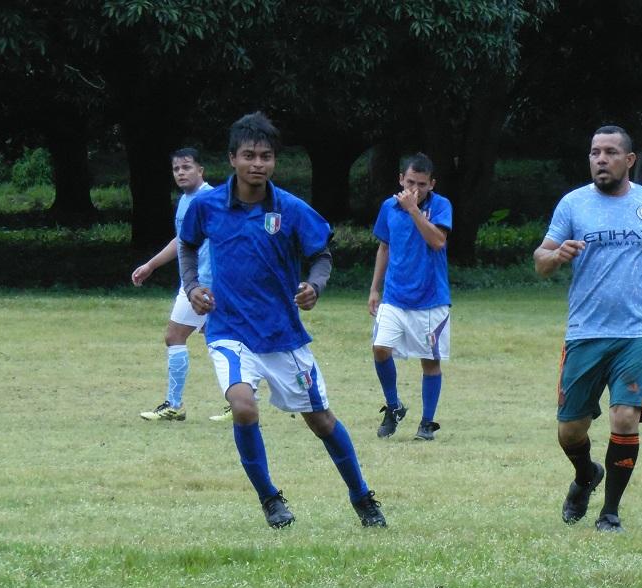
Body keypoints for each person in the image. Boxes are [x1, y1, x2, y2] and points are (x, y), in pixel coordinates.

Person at [178, 111, 386, 529]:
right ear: (232, 159)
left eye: (266, 156)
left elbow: (322, 254)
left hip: (283, 335)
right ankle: (271, 499)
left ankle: (362, 497)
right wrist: (191, 286)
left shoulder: (290, 208)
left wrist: (315, 285)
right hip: (229, 330)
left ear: (275, 160)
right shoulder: (207, 206)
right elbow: (187, 245)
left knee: (321, 419)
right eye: (249, 155)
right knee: (242, 406)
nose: (258, 164)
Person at [533, 125, 642, 533]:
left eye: (610, 152)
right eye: (594, 152)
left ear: (629, 161)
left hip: (638, 331)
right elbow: (540, 260)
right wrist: (557, 255)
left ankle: (610, 513)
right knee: (570, 430)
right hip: (585, 332)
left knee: (624, 417)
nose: (600, 159)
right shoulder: (573, 205)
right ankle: (585, 475)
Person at [132, 148, 230, 422]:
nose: (181, 173)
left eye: (187, 167)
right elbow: (182, 241)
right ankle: (240, 401)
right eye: (176, 169)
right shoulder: (187, 201)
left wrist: (212, 280)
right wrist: (151, 265)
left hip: (202, 284)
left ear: (201, 170)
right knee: (222, 340)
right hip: (195, 281)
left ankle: (175, 404)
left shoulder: (210, 199)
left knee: (175, 336)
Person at [368, 153, 453, 441]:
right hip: (394, 296)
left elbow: (438, 241)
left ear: (432, 184)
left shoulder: (441, 206)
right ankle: (394, 407)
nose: (415, 189)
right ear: (400, 180)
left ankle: (427, 423)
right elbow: (384, 247)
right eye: (410, 182)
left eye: (422, 184)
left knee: (430, 361)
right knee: (380, 348)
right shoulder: (388, 207)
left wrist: (415, 211)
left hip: (431, 298)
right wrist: (374, 289)